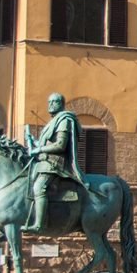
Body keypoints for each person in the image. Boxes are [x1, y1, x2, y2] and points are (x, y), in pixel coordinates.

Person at [23, 92, 86, 232]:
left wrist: (38, 149)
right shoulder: (53, 121)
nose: (51, 104)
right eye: (49, 102)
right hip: (43, 163)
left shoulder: (64, 120)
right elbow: (45, 143)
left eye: (55, 101)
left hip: (55, 164)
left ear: (61, 103)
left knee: (39, 187)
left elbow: (60, 145)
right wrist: (33, 141)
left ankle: (39, 224)